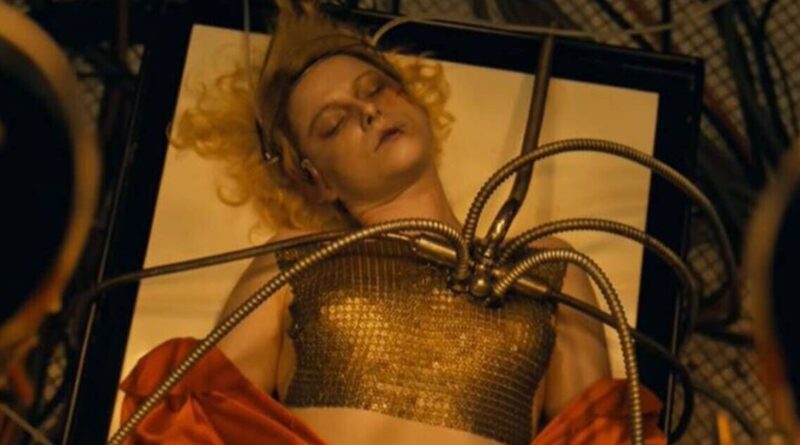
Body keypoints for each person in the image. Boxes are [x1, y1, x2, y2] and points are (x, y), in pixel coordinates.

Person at [120, 2, 667, 444]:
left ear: (415, 102)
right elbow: (195, 420)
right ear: (315, 179)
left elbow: (600, 437)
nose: (369, 112)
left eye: (376, 89)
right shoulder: (297, 259)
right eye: (333, 123)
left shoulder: (546, 269)